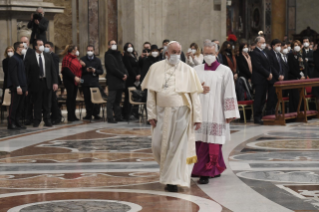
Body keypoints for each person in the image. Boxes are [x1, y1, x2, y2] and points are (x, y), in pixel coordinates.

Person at [141, 41, 203, 192]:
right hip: (161, 113)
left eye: (179, 52)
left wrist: (197, 117)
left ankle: (173, 180)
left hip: (182, 113)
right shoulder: (155, 68)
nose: (176, 55)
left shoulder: (188, 70)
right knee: (158, 146)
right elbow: (151, 94)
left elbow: (194, 96)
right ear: (166, 53)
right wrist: (151, 114)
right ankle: (169, 176)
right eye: (173, 52)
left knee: (177, 147)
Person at [192, 40, 239, 184]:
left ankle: (207, 171)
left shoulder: (225, 71)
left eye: (211, 54)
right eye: (205, 53)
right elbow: (190, 89)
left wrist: (230, 113)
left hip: (217, 112)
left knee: (212, 142)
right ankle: (210, 168)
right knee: (199, 142)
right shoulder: (196, 70)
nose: (208, 56)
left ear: (217, 53)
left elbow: (229, 92)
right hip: (200, 112)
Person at [24, 39, 58, 127]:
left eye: (42, 44)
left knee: (47, 103)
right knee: (37, 103)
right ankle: (37, 120)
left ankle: (47, 120)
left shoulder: (48, 56)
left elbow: (53, 70)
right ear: (35, 46)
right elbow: (27, 73)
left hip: (47, 82)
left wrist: (55, 82)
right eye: (40, 44)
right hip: (36, 83)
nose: (42, 46)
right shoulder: (30, 57)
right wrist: (26, 86)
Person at [104, 40, 128, 123]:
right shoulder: (108, 55)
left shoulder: (118, 54)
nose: (114, 45)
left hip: (120, 81)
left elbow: (122, 65)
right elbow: (112, 68)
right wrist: (122, 75)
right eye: (112, 44)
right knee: (111, 101)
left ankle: (118, 116)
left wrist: (126, 74)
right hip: (113, 81)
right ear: (108, 46)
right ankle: (110, 118)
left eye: (115, 44)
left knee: (118, 100)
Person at [250, 36, 272, 124]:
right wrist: (267, 74)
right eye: (263, 43)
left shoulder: (264, 52)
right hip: (259, 79)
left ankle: (260, 115)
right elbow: (258, 66)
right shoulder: (255, 53)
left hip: (264, 79)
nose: (264, 44)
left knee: (263, 98)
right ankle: (256, 117)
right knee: (258, 99)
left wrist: (269, 73)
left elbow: (267, 64)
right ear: (258, 43)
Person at [7, 42, 28, 130]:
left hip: (22, 86)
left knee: (20, 106)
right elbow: (13, 75)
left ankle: (17, 122)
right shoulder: (13, 59)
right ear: (18, 48)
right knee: (14, 106)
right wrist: (17, 86)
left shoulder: (21, 59)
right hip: (17, 87)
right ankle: (11, 123)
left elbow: (23, 75)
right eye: (23, 47)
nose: (24, 48)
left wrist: (25, 88)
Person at [80, 45, 103, 121]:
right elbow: (79, 72)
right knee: (87, 99)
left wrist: (95, 70)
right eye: (88, 50)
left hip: (94, 82)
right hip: (85, 82)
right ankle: (88, 114)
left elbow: (101, 71)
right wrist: (86, 70)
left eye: (91, 50)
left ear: (94, 51)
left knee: (96, 99)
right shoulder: (82, 59)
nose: (90, 52)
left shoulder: (97, 60)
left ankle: (96, 114)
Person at [61, 45, 83, 122]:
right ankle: (70, 116)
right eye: (76, 49)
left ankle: (73, 115)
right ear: (73, 50)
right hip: (69, 80)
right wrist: (74, 77)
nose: (77, 50)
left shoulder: (76, 58)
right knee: (70, 98)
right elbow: (66, 69)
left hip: (75, 80)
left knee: (73, 98)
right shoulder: (66, 58)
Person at [44, 41, 62, 125]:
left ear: (51, 48)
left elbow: (54, 70)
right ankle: (52, 116)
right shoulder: (44, 55)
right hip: (46, 81)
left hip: (53, 81)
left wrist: (55, 82)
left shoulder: (54, 56)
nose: (46, 48)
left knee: (53, 100)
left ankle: (57, 117)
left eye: (47, 46)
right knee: (49, 100)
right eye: (45, 46)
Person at [288, 40, 308, 113]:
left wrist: (305, 76)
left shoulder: (302, 55)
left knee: (301, 96)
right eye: (295, 45)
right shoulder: (290, 56)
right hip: (294, 78)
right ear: (292, 47)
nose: (297, 47)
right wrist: (299, 76)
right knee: (295, 96)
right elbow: (291, 68)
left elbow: (305, 66)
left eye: (298, 45)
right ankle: (295, 112)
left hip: (302, 79)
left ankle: (303, 111)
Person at [122, 42, 141, 121]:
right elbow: (129, 67)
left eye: (131, 46)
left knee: (136, 96)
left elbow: (137, 66)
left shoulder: (133, 55)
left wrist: (139, 74)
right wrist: (135, 75)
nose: (130, 48)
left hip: (136, 79)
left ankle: (134, 112)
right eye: (128, 46)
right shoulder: (126, 57)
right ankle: (127, 113)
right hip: (130, 78)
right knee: (128, 96)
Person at [266, 39, 285, 115]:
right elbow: (271, 66)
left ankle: (274, 110)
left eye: (280, 46)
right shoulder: (270, 54)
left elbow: (282, 66)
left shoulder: (279, 54)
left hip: (280, 78)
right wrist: (278, 76)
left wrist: (282, 74)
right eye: (278, 46)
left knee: (277, 97)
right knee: (272, 96)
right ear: (273, 46)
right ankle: (269, 112)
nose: (279, 47)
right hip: (273, 79)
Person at [20, 36, 35, 125]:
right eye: (22, 42)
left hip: (30, 81)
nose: (23, 43)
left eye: (25, 42)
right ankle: (22, 117)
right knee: (21, 101)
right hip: (21, 81)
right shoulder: (18, 52)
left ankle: (29, 118)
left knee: (29, 101)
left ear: (28, 43)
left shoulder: (32, 52)